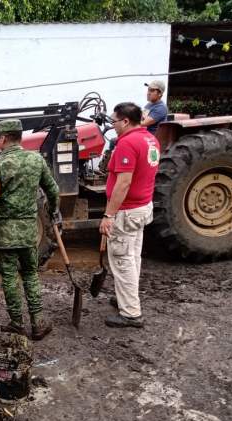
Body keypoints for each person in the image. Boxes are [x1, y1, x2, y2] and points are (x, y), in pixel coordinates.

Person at [0, 119, 60, 340]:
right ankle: (38, 322)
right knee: (31, 274)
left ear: (3, 138)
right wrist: (53, 211)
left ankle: (17, 323)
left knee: (10, 277)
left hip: (5, 234)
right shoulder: (36, 160)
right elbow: (52, 189)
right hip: (29, 232)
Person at [99, 102, 160, 328]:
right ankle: (127, 298)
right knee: (133, 256)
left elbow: (123, 183)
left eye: (114, 121)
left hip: (126, 211)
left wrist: (108, 215)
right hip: (142, 207)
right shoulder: (150, 139)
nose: (112, 125)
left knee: (122, 259)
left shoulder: (128, 143)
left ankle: (131, 314)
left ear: (125, 121)